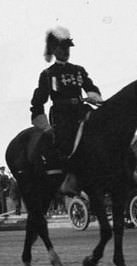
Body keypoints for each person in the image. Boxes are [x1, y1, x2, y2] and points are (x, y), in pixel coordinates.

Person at [30, 26, 101, 195]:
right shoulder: (48, 74)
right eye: (62, 48)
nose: (66, 51)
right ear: (54, 50)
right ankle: (69, 179)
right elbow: (39, 101)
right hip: (62, 116)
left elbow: (90, 87)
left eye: (68, 48)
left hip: (82, 110)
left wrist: (94, 96)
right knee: (66, 143)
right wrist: (44, 125)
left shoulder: (78, 70)